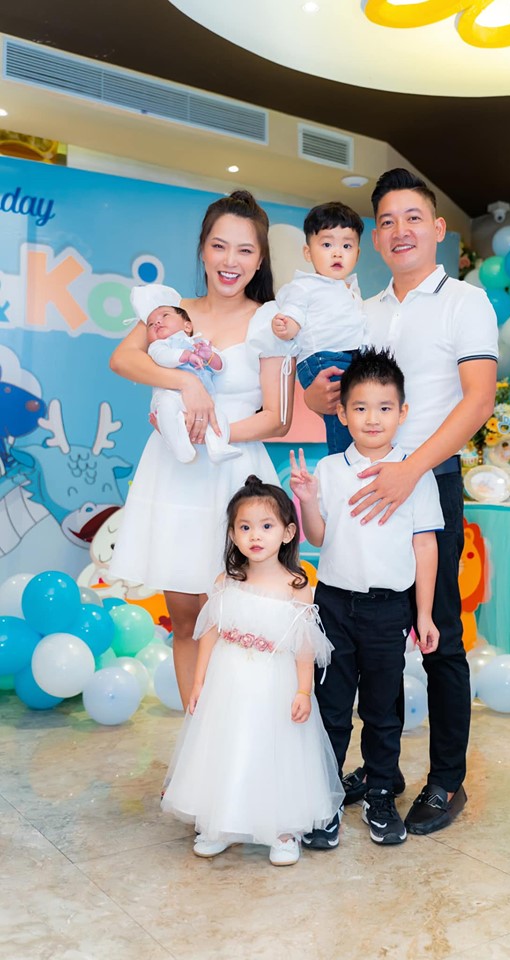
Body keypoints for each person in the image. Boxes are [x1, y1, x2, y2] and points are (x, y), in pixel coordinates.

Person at [303, 169, 498, 835]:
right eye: (385, 221)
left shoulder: (465, 302)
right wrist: (315, 396)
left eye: (412, 217)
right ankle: (377, 769)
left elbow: (478, 399)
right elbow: (336, 394)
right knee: (361, 641)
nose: (399, 230)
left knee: (437, 633)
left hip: (427, 482)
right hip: (364, 488)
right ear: (375, 236)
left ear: (438, 228)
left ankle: (446, 780)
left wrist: (409, 470)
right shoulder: (364, 310)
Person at [109, 190, 296, 708]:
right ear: (202, 249)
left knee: (241, 612)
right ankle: (199, 735)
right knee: (187, 616)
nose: (230, 261)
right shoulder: (172, 313)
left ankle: (241, 732)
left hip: (237, 477)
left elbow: (278, 418)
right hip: (175, 475)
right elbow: (123, 359)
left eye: (244, 250)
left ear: (259, 259)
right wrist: (186, 384)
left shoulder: (271, 321)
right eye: (219, 246)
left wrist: (214, 429)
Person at [290, 348, 444, 847]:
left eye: (384, 407)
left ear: (402, 412)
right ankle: (326, 798)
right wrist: (308, 501)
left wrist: (424, 614)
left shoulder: (415, 473)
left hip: (388, 609)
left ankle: (380, 794)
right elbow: (318, 537)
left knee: (382, 711)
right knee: (331, 709)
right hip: (334, 605)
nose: (372, 418)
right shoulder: (330, 468)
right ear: (342, 413)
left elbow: (425, 546)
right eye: (360, 407)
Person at [161, 475, 344, 867]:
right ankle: (222, 823)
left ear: (288, 532)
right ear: (232, 534)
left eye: (266, 526)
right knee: (227, 746)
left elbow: (304, 645)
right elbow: (209, 633)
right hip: (228, 680)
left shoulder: (297, 585)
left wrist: (303, 690)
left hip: (275, 683)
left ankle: (282, 830)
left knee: (274, 749)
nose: (255, 536)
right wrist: (199, 682)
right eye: (244, 527)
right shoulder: (226, 581)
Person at [272, 201, 367, 454]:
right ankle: (341, 458)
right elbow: (293, 310)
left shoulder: (351, 290)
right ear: (308, 252)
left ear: (357, 254)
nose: (337, 253)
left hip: (349, 359)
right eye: (327, 245)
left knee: (356, 415)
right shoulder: (305, 285)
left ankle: (353, 457)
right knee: (341, 413)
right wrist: (287, 325)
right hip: (323, 359)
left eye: (346, 246)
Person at [130, 283, 240, 465]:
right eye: (150, 324)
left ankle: (218, 447)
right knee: (167, 409)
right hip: (171, 395)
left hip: (202, 402)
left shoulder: (198, 343)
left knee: (218, 417)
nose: (157, 322)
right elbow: (163, 358)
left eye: (165, 315)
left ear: (187, 326)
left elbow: (221, 367)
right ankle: (179, 447)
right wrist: (186, 356)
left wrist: (210, 356)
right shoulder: (158, 346)